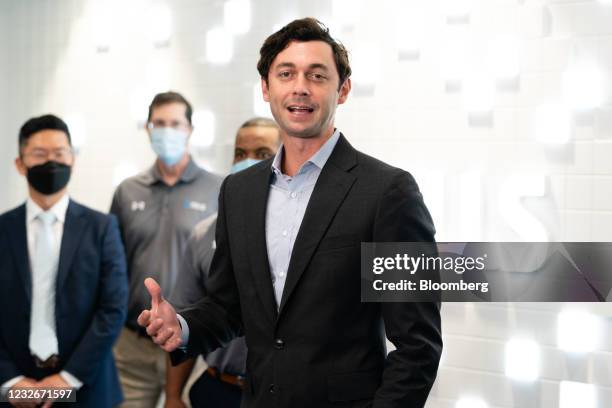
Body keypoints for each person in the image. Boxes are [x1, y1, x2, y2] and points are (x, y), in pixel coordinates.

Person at [139, 18, 443, 408]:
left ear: (343, 90)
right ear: (267, 88)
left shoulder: (389, 192)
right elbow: (228, 306)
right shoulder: (238, 191)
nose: (300, 86)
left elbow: (418, 346)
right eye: (286, 74)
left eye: (317, 75)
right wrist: (181, 326)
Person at [0, 114, 128, 407]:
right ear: (20, 164)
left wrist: (67, 379)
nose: (51, 162)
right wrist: (11, 382)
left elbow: (113, 308)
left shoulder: (102, 228)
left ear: (73, 160)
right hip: (15, 389)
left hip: (87, 386)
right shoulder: (3, 229)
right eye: (39, 154)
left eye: (59, 154)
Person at [110, 92, 223, 407]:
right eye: (159, 123)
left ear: (189, 129)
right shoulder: (127, 191)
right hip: (133, 343)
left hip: (191, 341)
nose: (167, 131)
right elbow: (113, 265)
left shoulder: (219, 189)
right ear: (148, 130)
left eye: (175, 123)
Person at [165, 117, 280, 408]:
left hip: (282, 391)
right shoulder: (205, 233)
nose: (248, 162)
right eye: (240, 154)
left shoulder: (305, 232)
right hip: (220, 389)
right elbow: (188, 318)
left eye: (263, 154)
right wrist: (173, 396)